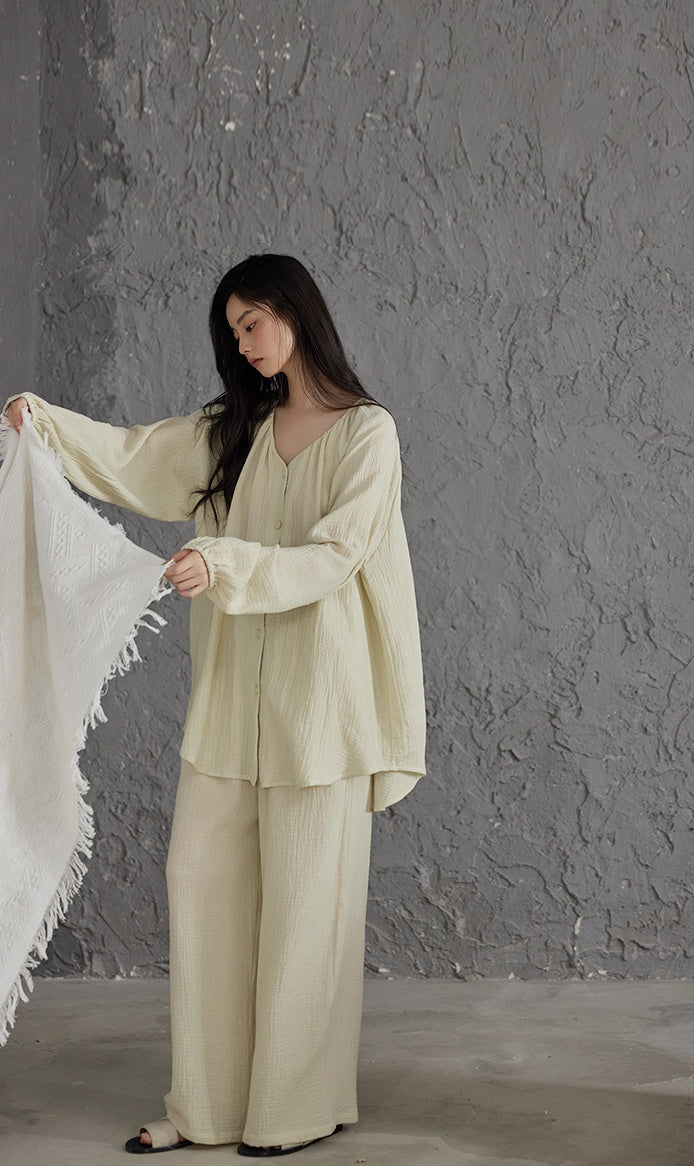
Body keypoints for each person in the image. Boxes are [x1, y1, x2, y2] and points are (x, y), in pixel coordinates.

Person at [3, 253, 427, 1156]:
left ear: (294, 313)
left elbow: (335, 555)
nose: (242, 344)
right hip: (232, 708)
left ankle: (292, 1111)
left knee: (307, 914)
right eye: (233, 332)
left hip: (322, 714)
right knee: (201, 889)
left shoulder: (368, 434)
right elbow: (131, 455)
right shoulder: (234, 430)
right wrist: (43, 423)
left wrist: (223, 562)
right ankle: (204, 1109)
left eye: (251, 324)